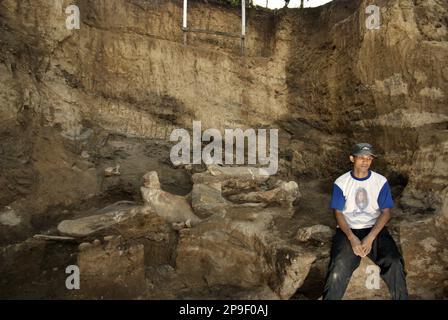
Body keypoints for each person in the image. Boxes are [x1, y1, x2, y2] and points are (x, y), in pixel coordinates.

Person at [323, 143, 408, 300]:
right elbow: (339, 213)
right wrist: (351, 237)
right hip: (348, 229)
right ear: (352, 158)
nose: (365, 161)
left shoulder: (380, 181)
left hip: (374, 229)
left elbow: (386, 212)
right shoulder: (341, 183)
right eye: (361, 157)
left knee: (394, 262)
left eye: (369, 158)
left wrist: (370, 237)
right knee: (337, 268)